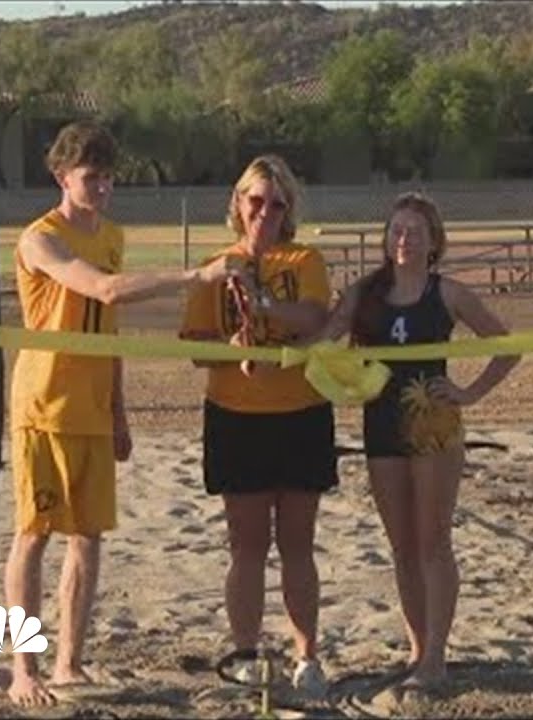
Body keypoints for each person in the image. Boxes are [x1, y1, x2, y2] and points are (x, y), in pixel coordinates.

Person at [5, 120, 234, 708]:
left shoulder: (112, 234)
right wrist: (194, 277)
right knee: (34, 535)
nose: (102, 187)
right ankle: (23, 669)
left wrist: (120, 411)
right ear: (62, 176)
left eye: (108, 177)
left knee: (88, 537)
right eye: (90, 177)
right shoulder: (41, 237)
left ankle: (68, 662)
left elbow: (109, 331)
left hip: (92, 406)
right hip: (45, 404)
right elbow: (102, 291)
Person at [309, 192, 520, 693]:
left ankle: (436, 660)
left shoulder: (447, 293)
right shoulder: (364, 292)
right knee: (402, 546)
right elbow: (322, 340)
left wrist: (469, 392)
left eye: (415, 232)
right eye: (397, 231)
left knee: (432, 542)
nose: (404, 240)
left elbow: (506, 346)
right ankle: (418, 648)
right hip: (380, 424)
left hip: (432, 421)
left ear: (433, 242)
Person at [178, 155, 337, 697]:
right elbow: (196, 346)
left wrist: (264, 304)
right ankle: (245, 652)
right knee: (246, 546)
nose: (265, 211)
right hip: (236, 417)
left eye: (276, 202)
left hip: (300, 415)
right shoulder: (215, 266)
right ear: (238, 204)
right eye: (256, 200)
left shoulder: (305, 259)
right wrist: (233, 349)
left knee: (298, 544)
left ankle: (306, 655)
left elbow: (315, 317)